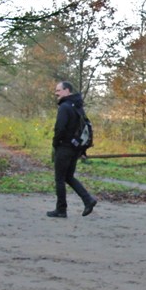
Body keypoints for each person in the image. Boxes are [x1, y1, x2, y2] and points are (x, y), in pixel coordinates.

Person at [48, 81, 97, 218]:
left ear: (67, 91)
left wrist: (55, 143)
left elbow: (60, 128)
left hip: (64, 147)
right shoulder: (78, 107)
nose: (56, 93)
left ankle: (61, 210)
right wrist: (82, 149)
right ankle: (88, 200)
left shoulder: (64, 107)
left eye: (58, 90)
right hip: (75, 148)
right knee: (68, 177)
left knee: (60, 179)